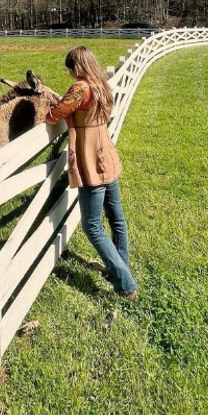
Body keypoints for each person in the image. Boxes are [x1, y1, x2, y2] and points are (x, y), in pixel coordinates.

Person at [46, 46, 138, 299]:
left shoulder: (81, 88)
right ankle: (118, 268)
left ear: (76, 67)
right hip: (105, 153)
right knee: (116, 218)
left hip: (90, 160)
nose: (71, 76)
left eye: (71, 70)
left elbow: (54, 115)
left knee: (92, 225)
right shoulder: (102, 86)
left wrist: (57, 106)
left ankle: (126, 286)